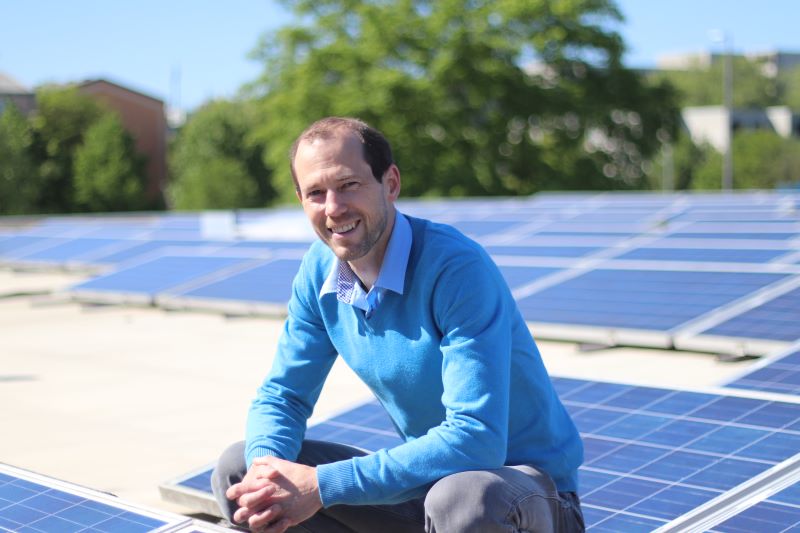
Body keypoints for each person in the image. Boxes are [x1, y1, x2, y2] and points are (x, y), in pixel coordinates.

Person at [211, 117, 585, 533]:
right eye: (316, 193)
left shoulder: (456, 268)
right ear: (300, 200)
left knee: (463, 498)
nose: (333, 207)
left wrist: (321, 485)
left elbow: (477, 439)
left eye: (349, 184)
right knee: (240, 469)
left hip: (524, 497)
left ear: (390, 183)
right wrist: (267, 473)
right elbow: (283, 396)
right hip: (429, 494)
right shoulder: (318, 273)